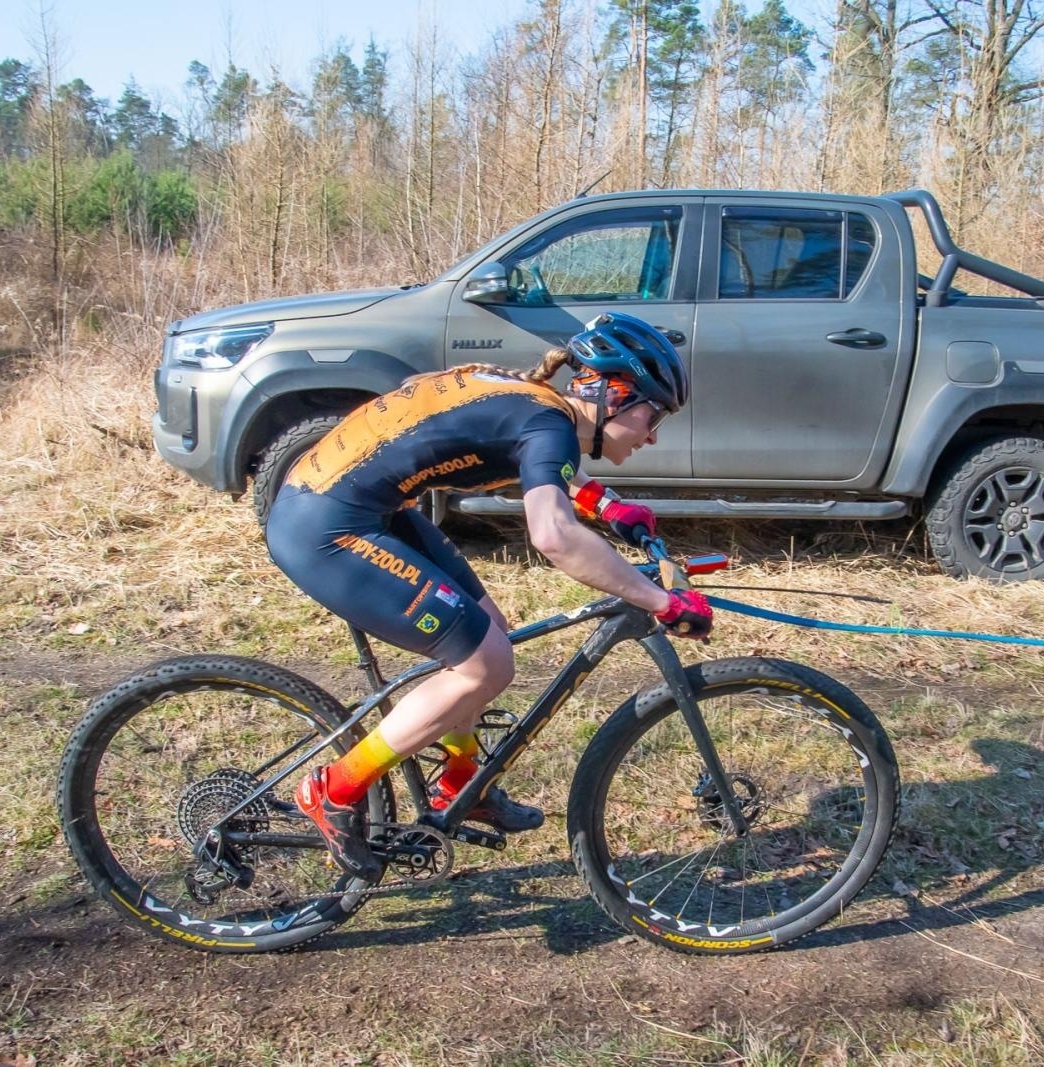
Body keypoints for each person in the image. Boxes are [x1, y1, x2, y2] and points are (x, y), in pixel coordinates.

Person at [263, 313, 714, 879]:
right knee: (485, 664)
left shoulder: (539, 409)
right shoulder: (545, 420)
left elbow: (534, 461)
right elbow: (551, 536)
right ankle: (334, 790)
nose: (652, 435)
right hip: (326, 529)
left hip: (356, 507)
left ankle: (460, 780)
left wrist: (605, 506)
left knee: (488, 629)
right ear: (611, 394)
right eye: (653, 416)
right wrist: (659, 601)